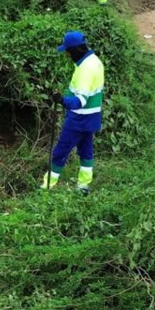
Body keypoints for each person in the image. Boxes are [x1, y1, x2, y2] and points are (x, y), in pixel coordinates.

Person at [42, 31, 105, 195]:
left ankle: (47, 186)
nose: (68, 55)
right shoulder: (95, 61)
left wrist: (61, 100)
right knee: (86, 151)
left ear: (76, 49)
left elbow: (79, 101)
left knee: (60, 152)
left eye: (68, 51)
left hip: (79, 119)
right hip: (92, 119)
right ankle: (83, 186)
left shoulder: (85, 69)